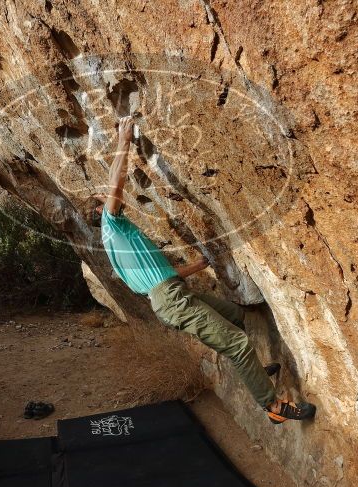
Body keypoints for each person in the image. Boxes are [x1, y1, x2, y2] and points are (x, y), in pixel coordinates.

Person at [86, 117, 315, 424]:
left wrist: (199, 265)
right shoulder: (110, 226)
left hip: (173, 294)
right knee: (238, 344)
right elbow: (116, 183)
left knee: (236, 317)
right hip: (173, 302)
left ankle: (256, 373)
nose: (110, 198)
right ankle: (273, 407)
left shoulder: (123, 240)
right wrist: (124, 140)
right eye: (103, 200)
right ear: (99, 212)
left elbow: (164, 275)